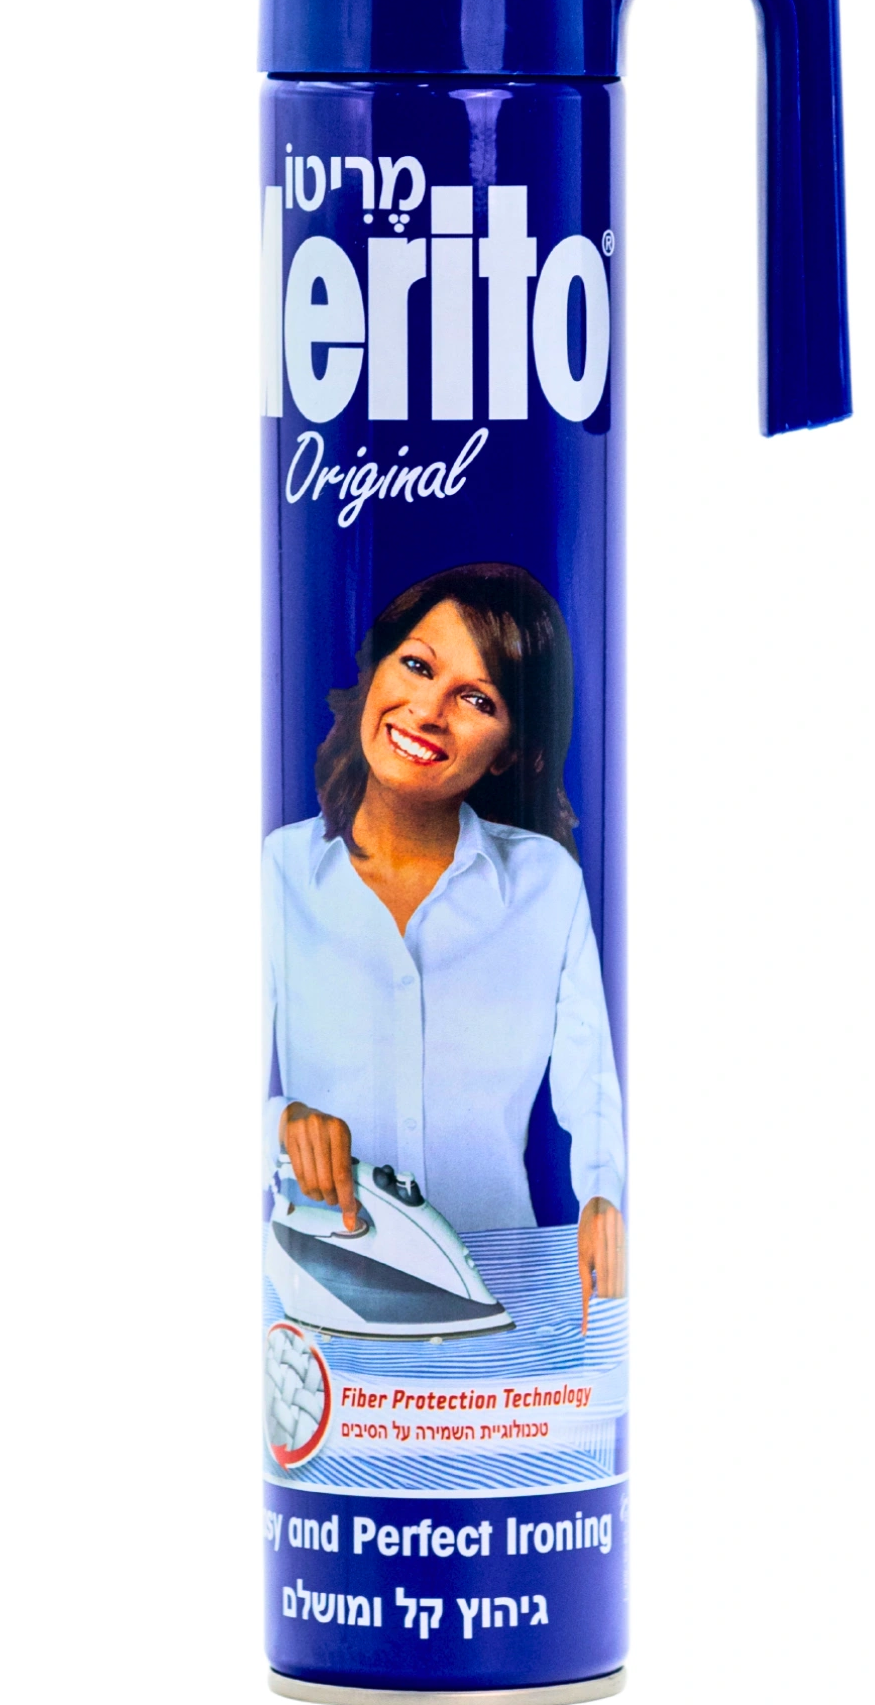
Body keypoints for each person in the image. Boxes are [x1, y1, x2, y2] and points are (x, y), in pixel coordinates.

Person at [263, 563, 626, 1327]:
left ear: (508, 749)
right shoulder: (277, 873)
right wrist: (282, 1124)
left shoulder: (546, 887)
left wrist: (606, 1198)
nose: (428, 711)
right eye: (418, 666)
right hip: (320, 1301)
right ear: (376, 670)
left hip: (502, 1295)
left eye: (476, 699)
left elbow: (591, 1081)